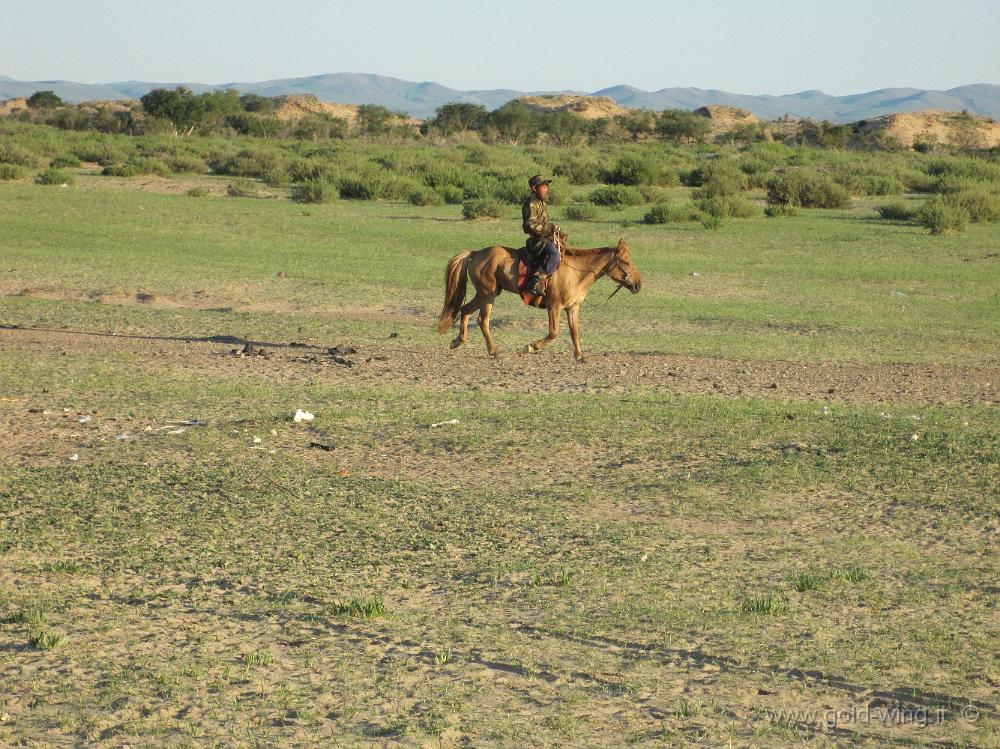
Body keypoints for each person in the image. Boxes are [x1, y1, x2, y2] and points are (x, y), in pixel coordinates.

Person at [521, 175, 564, 295]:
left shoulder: (541, 202)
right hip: (537, 240)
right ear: (534, 188)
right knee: (555, 254)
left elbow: (544, 222)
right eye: (543, 187)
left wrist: (557, 231)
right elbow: (530, 225)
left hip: (544, 238)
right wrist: (550, 228)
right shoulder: (531, 203)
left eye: (547, 187)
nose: (546, 189)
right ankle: (534, 282)